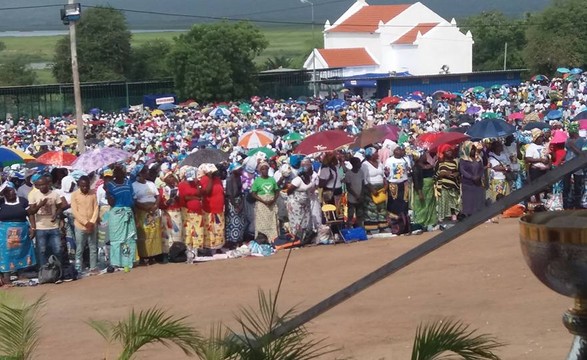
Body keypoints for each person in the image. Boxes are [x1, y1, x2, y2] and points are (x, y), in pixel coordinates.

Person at [0, 182, 36, 283]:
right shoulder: (1, 202)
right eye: (7, 192)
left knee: (21, 252)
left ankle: (21, 274)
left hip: (22, 232)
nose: (10, 193)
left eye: (11, 191)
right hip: (4, 233)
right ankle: (6, 276)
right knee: (6, 254)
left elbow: (31, 214)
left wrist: (33, 228)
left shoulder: (23, 201)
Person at [106, 164, 137, 269]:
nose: (119, 173)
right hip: (117, 214)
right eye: (117, 171)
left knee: (128, 239)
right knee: (116, 239)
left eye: (121, 171)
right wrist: (107, 193)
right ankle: (116, 263)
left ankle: (127, 261)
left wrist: (135, 215)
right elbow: (111, 203)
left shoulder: (128, 183)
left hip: (128, 211)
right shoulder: (110, 185)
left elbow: (132, 199)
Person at [28, 174, 64, 266]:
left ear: (48, 184)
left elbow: (60, 207)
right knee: (42, 251)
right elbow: (31, 211)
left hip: (53, 226)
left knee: (57, 249)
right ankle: (43, 271)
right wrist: (40, 205)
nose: (42, 187)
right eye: (40, 185)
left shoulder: (54, 194)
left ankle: (58, 270)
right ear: (37, 186)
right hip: (40, 227)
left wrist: (56, 214)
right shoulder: (33, 195)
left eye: (44, 184)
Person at [132, 165, 162, 264]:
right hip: (142, 211)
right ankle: (145, 256)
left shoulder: (151, 183)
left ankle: (154, 254)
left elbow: (157, 195)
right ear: (140, 173)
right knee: (144, 233)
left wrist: (155, 205)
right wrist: (145, 208)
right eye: (145, 171)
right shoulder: (134, 185)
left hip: (153, 210)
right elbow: (134, 200)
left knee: (154, 232)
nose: (148, 173)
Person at [70, 176, 99, 273]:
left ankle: (93, 267)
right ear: (79, 185)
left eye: (87, 186)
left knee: (93, 247)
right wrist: (86, 223)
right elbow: (75, 212)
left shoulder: (93, 194)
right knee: (79, 248)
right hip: (80, 225)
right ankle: (78, 268)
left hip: (92, 224)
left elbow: (96, 208)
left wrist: (92, 222)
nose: (85, 188)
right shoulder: (74, 195)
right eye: (83, 186)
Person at [286, 158, 316, 242]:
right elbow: (289, 191)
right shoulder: (297, 180)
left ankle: (306, 237)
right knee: (297, 220)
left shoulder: (310, 178)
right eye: (307, 167)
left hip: (305, 202)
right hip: (295, 203)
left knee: (306, 220)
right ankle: (297, 238)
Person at [178, 167, 204, 260]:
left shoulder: (196, 184)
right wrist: (195, 198)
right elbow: (184, 198)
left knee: (198, 230)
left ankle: (196, 251)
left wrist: (197, 184)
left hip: (197, 211)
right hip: (187, 211)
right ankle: (189, 252)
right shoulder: (182, 185)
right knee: (188, 231)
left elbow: (201, 194)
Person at [360, 147, 388, 233]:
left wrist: (385, 184)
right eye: (376, 152)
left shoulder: (379, 163)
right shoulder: (365, 165)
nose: (378, 154)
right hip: (370, 188)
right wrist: (371, 189)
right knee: (370, 208)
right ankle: (370, 228)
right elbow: (364, 179)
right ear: (371, 155)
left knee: (382, 207)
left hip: (381, 188)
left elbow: (383, 175)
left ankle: (382, 227)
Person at [199, 164, 225, 250]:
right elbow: (207, 192)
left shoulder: (218, 179)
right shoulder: (204, 180)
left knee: (219, 228)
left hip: (219, 208)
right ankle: (209, 246)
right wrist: (210, 178)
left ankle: (218, 246)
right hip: (209, 209)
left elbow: (221, 191)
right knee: (210, 229)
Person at [251, 161, 279, 241]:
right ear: (260, 171)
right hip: (262, 205)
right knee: (262, 223)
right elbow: (253, 194)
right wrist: (263, 201)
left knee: (272, 221)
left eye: (266, 169)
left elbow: (277, 191)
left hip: (271, 203)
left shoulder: (272, 180)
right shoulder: (257, 181)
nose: (265, 171)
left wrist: (273, 199)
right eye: (263, 169)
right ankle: (262, 239)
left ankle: (273, 239)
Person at [411, 149, 437, 231]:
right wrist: (420, 192)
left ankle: (430, 222)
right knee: (422, 206)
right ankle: (421, 223)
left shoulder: (427, 164)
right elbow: (416, 181)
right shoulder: (416, 168)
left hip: (429, 189)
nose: (426, 156)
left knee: (429, 205)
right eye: (424, 155)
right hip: (422, 189)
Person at [435, 144, 460, 225]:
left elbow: (458, 171)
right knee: (444, 202)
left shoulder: (455, 161)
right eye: (447, 151)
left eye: (450, 150)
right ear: (443, 153)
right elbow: (435, 174)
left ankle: (454, 217)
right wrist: (444, 173)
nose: (449, 152)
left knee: (453, 202)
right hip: (443, 186)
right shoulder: (439, 162)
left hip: (453, 185)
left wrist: (456, 174)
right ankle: (443, 219)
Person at [459, 141, 485, 217]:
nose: (473, 151)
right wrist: (472, 177)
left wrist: (478, 176)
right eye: (471, 149)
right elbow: (463, 170)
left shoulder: (478, 158)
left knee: (478, 199)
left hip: (477, 183)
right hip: (468, 183)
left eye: (474, 149)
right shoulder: (463, 159)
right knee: (468, 200)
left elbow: (481, 169)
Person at [563, 123, 585, 209]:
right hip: (567, 165)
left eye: (571, 133)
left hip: (578, 166)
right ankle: (566, 205)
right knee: (566, 187)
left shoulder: (583, 141)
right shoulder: (567, 140)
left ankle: (577, 205)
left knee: (577, 187)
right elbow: (566, 152)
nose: (570, 135)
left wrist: (573, 146)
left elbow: (583, 154)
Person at [160, 172, 183, 253]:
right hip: (167, 213)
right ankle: (167, 252)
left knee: (177, 232)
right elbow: (160, 204)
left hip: (177, 212)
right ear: (165, 179)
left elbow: (182, 201)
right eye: (170, 177)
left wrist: (177, 198)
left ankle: (177, 251)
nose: (172, 179)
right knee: (167, 233)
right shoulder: (162, 190)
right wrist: (167, 203)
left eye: (173, 177)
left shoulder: (177, 189)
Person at [224, 163, 245, 246]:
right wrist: (235, 205)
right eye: (239, 169)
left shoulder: (238, 178)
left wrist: (240, 203)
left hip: (239, 200)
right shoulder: (229, 179)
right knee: (233, 222)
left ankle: (239, 239)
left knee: (240, 222)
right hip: (232, 202)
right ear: (234, 170)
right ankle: (232, 241)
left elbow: (240, 191)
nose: (241, 171)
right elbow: (229, 194)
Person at [344, 157, 364, 227]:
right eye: (358, 162)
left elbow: (363, 184)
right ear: (354, 164)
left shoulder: (361, 172)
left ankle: (360, 228)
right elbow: (348, 187)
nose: (360, 164)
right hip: (352, 198)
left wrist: (361, 195)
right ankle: (349, 227)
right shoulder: (348, 174)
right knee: (350, 214)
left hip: (360, 197)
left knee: (360, 214)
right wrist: (356, 195)